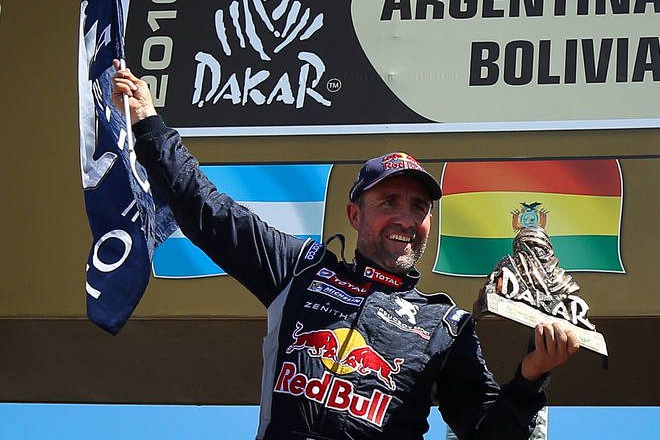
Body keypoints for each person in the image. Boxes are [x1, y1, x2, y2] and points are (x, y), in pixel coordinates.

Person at [112, 62, 580, 440]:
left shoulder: (446, 325)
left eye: (418, 207)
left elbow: (487, 433)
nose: (405, 218)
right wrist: (150, 126)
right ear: (355, 215)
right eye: (388, 202)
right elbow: (208, 212)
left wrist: (532, 375)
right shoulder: (299, 269)